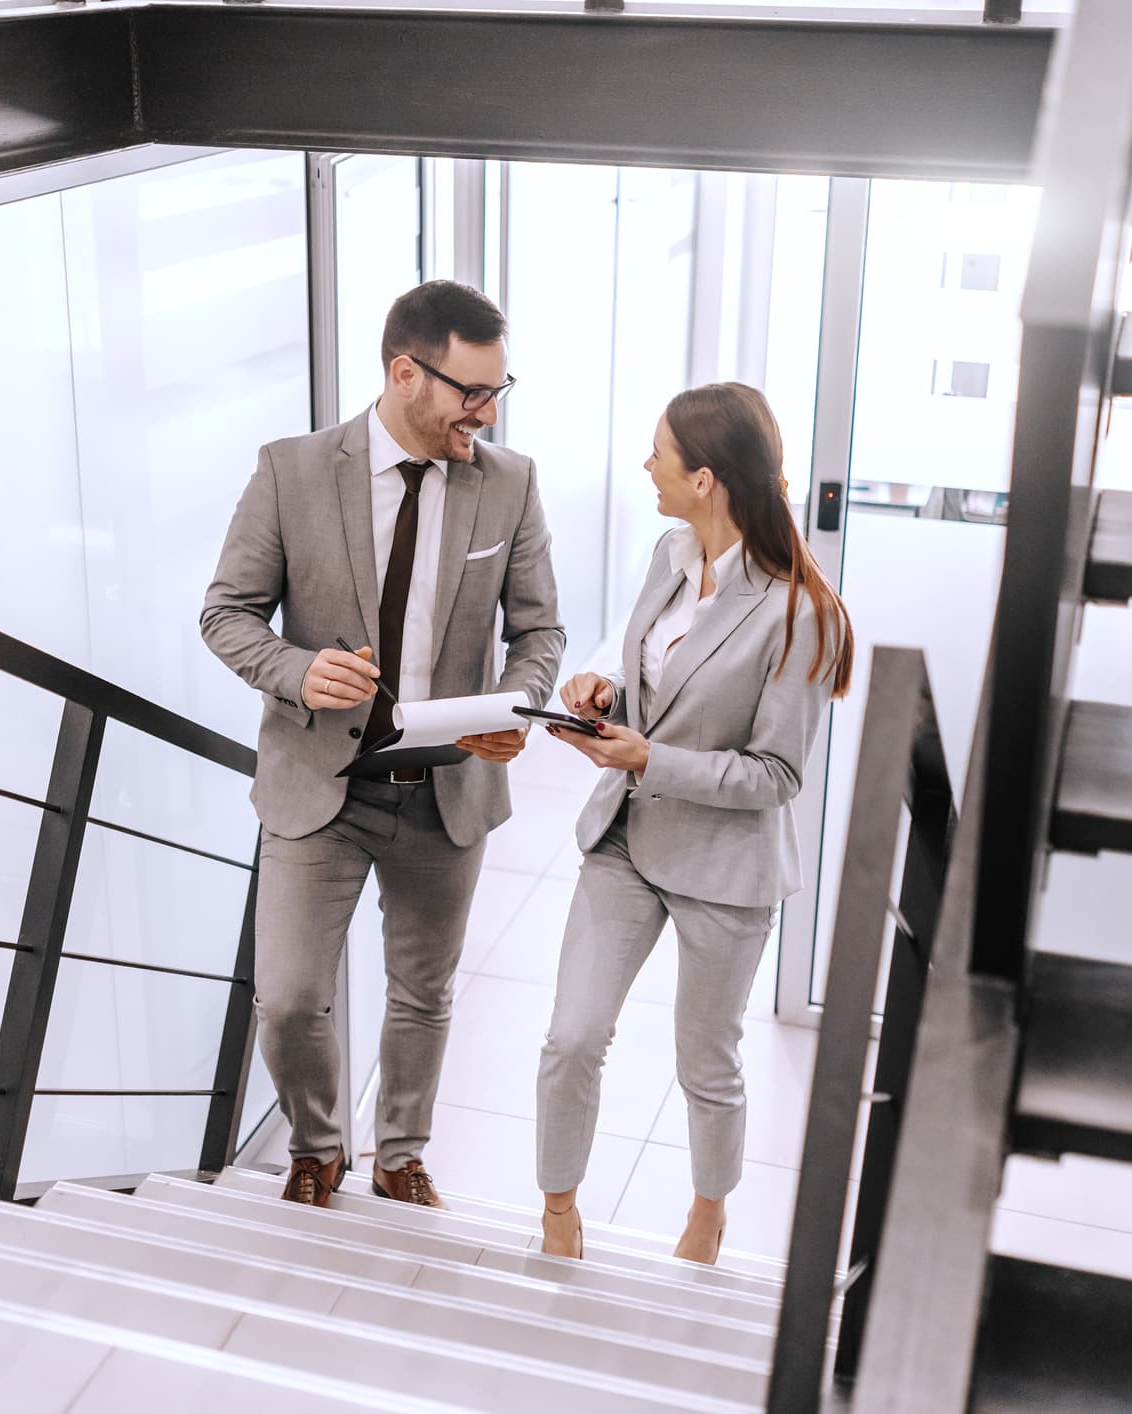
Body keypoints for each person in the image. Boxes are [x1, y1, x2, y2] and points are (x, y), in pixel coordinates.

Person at [202, 280, 564, 1210]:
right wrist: (295, 670)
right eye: (469, 392)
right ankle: (317, 1144)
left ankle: (400, 1152)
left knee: (423, 993)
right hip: (316, 785)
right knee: (285, 996)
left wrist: (516, 705)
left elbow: (539, 633)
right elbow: (227, 614)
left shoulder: (510, 481)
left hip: (446, 792)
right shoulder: (289, 470)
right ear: (405, 373)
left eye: (496, 390)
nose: (485, 413)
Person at [533, 382, 852, 1262]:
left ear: (705, 477)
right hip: (627, 842)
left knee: (704, 1063)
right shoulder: (671, 553)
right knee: (571, 1039)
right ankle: (558, 1215)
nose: (646, 467)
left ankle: (707, 1217)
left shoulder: (800, 614)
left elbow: (776, 774)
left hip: (724, 865)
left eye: (658, 455)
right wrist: (604, 687)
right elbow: (653, 670)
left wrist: (648, 759)